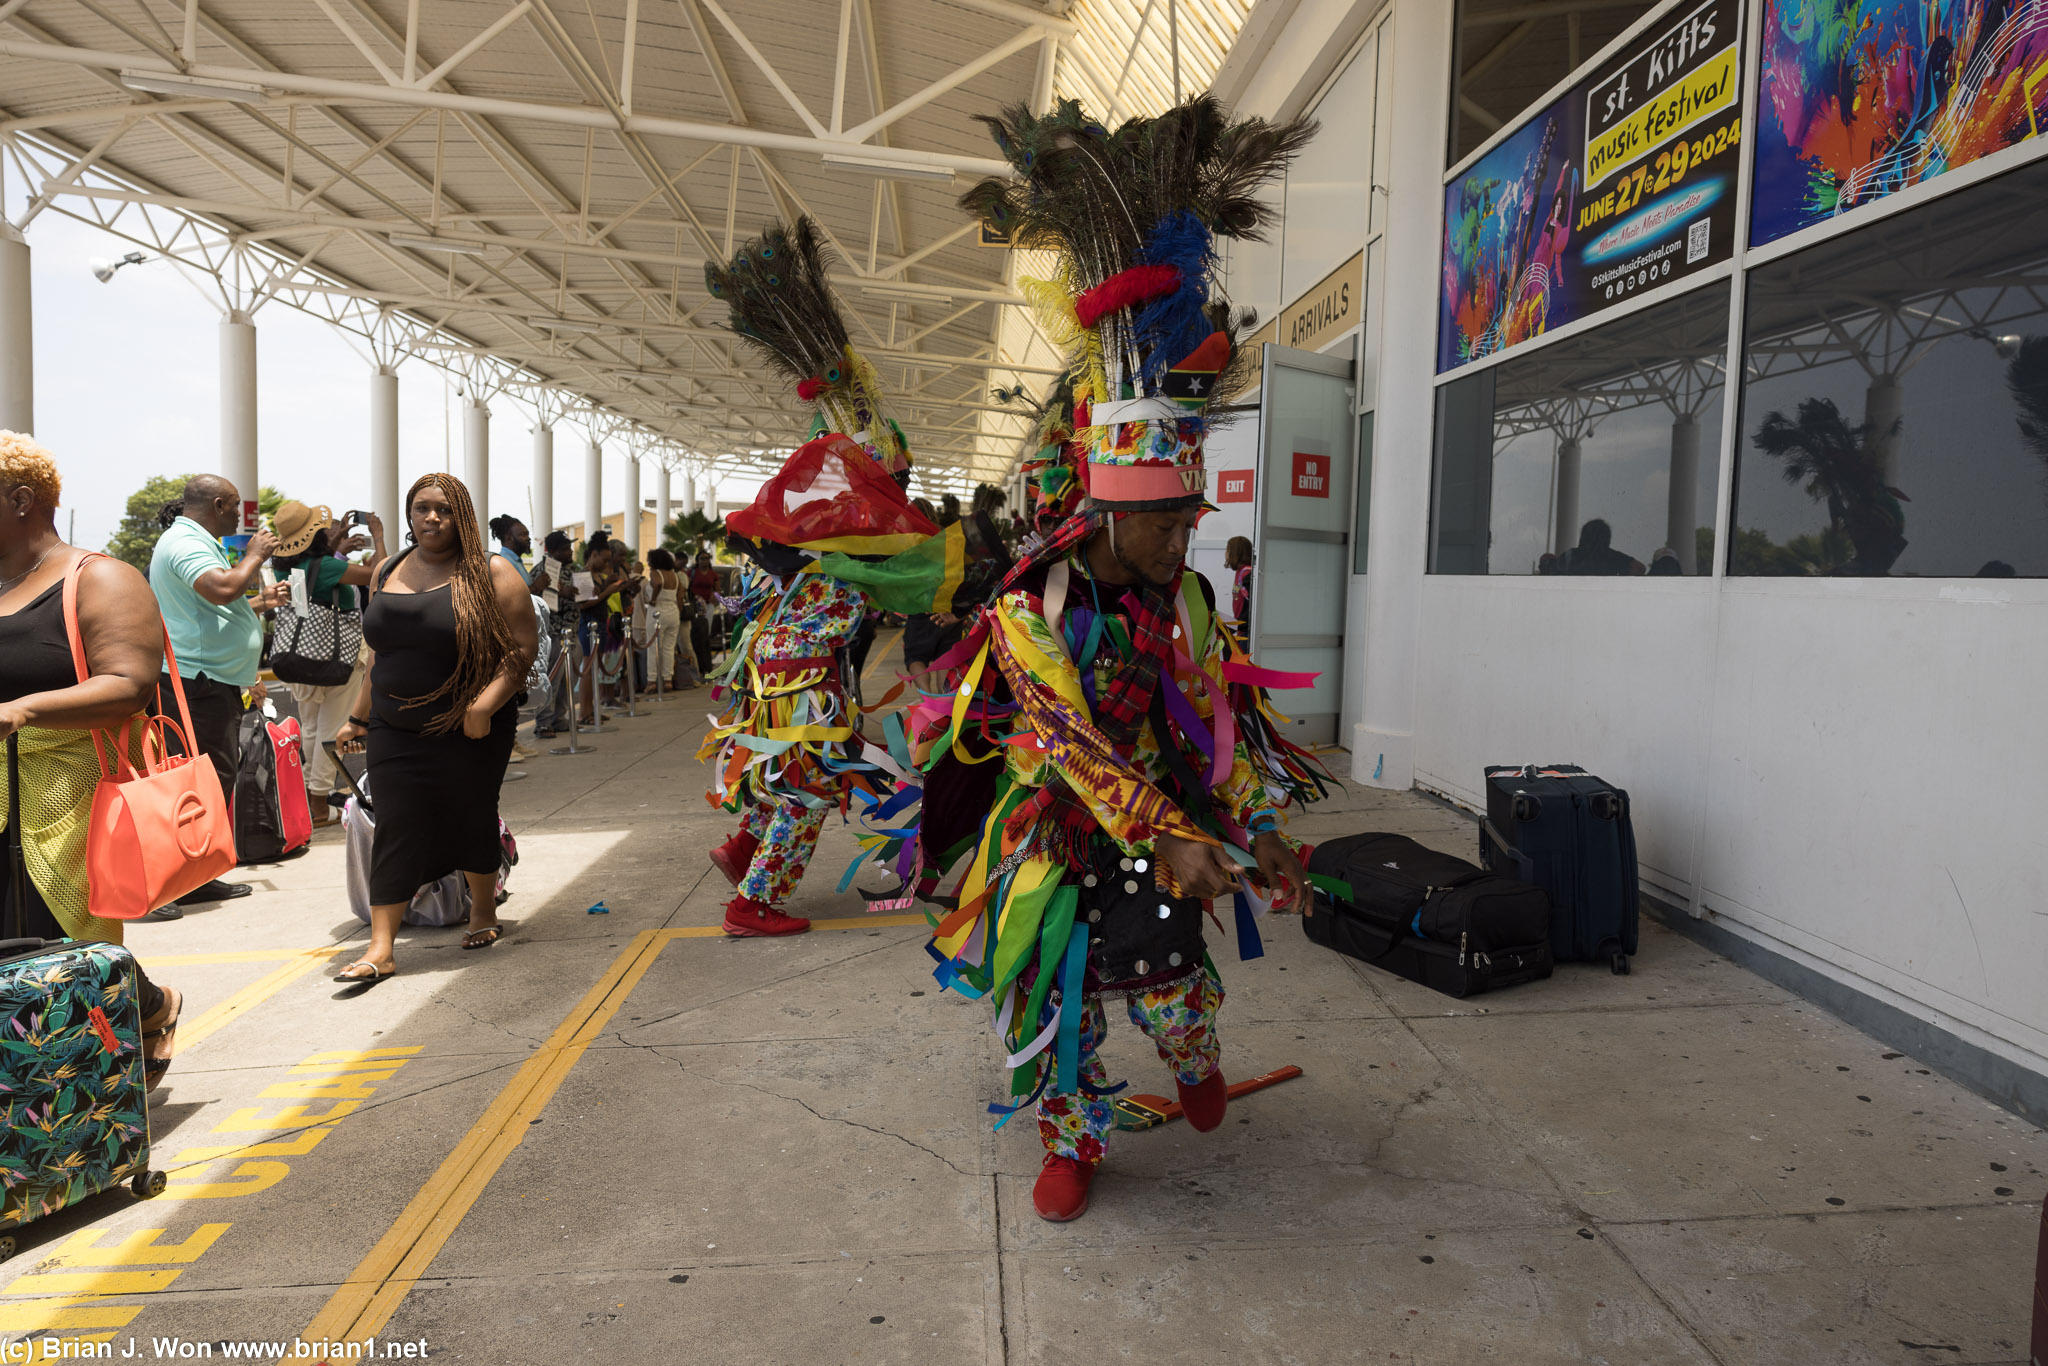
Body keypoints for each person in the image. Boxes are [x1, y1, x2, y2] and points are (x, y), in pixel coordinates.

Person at [932, 92, 1318, 1222]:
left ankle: (1192, 1057)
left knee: (1171, 992)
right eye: (1162, 522)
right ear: (1101, 515)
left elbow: (1219, 726)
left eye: (1189, 518)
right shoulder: (1028, 612)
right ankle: (1072, 1139)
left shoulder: (1187, 598)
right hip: (1059, 827)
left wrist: (1257, 831)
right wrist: (1167, 832)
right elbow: (1058, 738)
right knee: (1051, 1004)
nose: (1180, 537)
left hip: (1167, 828)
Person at [698, 218, 937, 937]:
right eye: (896, 475)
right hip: (801, 678)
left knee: (793, 773)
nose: (902, 485)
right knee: (804, 788)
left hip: (788, 670)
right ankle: (753, 903)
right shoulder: (849, 535)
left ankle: (743, 848)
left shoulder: (816, 534)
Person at [0, 432, 185, 1088]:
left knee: (65, 950)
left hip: (74, 794)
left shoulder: (100, 578)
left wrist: (24, 710)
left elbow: (130, 683)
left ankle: (87, 1103)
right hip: (2, 793)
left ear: (21, 500)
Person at [333, 473, 537, 983]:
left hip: (469, 723)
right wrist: (358, 716)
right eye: (421, 508)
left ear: (462, 515)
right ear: (408, 515)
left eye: (443, 510)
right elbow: (379, 655)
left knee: (470, 813)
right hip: (394, 725)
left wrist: (484, 707)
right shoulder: (387, 569)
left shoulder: (492, 572)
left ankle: (484, 911)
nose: (431, 518)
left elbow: (520, 650)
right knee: (397, 822)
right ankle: (381, 947)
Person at [147, 473, 290, 912]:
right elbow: (222, 588)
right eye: (234, 506)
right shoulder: (186, 542)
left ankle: (197, 874)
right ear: (219, 505)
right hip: (195, 683)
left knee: (209, 782)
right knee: (184, 784)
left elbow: (213, 610)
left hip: (211, 681)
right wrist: (254, 555)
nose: (239, 515)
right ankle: (163, 883)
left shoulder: (196, 539)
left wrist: (260, 604)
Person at [271, 502, 385, 826]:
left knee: (309, 727)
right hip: (336, 659)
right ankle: (320, 804)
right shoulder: (329, 568)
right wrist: (378, 536)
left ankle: (307, 797)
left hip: (301, 655)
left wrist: (333, 546)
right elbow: (381, 575)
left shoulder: (284, 567)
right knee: (331, 729)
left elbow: (305, 596)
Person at [528, 531, 578, 737]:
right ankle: (544, 723)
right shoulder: (542, 571)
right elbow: (536, 599)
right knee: (551, 679)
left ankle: (559, 717)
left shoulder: (571, 569)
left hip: (570, 631)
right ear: (555, 551)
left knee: (568, 679)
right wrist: (561, 592)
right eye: (566, 548)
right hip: (553, 632)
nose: (570, 551)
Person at [644, 549, 688, 690]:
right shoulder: (675, 576)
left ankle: (652, 680)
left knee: (653, 647)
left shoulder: (655, 573)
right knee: (669, 648)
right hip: (673, 610)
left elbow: (657, 584)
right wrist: (679, 609)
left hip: (657, 610)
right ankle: (667, 679)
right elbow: (681, 593)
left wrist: (653, 599)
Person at [1561, 518, 1646, 575]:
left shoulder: (1571, 555)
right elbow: (1640, 568)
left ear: (1583, 536)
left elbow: (1556, 570)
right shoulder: (1612, 557)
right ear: (1606, 538)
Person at [689, 550, 720, 675]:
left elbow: (717, 589)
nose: (705, 561)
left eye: (707, 558)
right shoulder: (692, 573)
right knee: (695, 633)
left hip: (708, 605)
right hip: (694, 606)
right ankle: (698, 662)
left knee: (705, 633)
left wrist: (714, 595)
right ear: (697, 560)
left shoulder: (713, 574)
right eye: (702, 558)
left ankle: (706, 662)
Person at [1225, 535, 1255, 632]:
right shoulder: (1240, 572)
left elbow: (1252, 608)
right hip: (1241, 630)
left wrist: (1235, 626)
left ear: (1235, 553)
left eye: (1227, 550)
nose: (1225, 553)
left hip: (1247, 632)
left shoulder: (1247, 575)